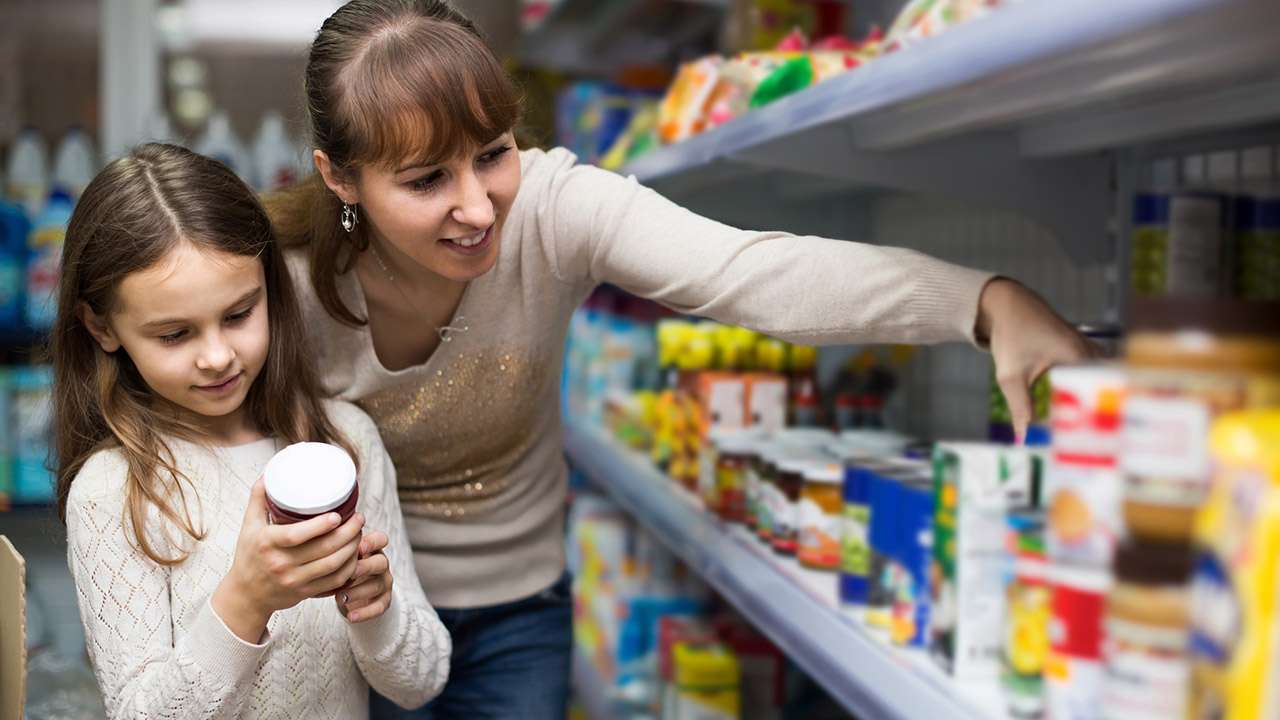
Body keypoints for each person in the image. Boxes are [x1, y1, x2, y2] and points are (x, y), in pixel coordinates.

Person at [267, 1, 1093, 716]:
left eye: (493, 152)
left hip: (522, 607)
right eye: (425, 181)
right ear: (340, 178)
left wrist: (984, 301)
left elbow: (753, 274)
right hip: (355, 610)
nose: (478, 207)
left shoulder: (558, 209)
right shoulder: (290, 287)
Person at [55, 143, 451, 719]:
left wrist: (377, 610)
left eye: (239, 314)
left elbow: (424, 680)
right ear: (101, 326)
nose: (217, 357)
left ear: (270, 286)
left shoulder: (345, 442)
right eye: (174, 335)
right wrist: (247, 600)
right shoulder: (113, 491)